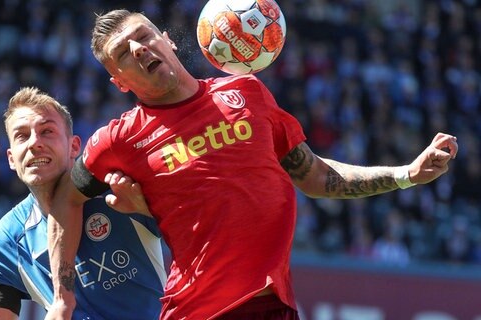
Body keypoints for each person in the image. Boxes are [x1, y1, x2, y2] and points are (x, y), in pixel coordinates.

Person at [45, 9, 459, 320]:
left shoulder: (246, 92)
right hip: (199, 310)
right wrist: (63, 296)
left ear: (167, 39)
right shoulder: (118, 140)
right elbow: (64, 199)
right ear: (119, 80)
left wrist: (407, 174)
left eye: (144, 36)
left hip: (274, 303)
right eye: (123, 52)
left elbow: (315, 176)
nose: (139, 49)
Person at [0, 87, 167, 319]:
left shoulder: (119, 190)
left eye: (47, 131)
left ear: (75, 146)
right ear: (10, 158)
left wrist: (147, 208)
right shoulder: (5, 241)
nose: (34, 143)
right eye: (22, 135)